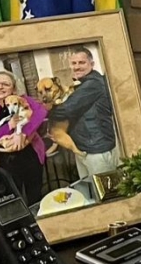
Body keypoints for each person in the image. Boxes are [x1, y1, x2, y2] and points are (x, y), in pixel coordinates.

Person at [49, 46, 119, 179]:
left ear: (92, 64)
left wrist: (45, 110)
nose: (77, 67)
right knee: (91, 189)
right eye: (73, 63)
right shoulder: (81, 85)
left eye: (82, 62)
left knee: (106, 191)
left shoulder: (93, 84)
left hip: (97, 151)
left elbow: (65, 110)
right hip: (84, 149)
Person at [0, 70, 48, 206]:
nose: (0, 87)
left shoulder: (23, 100)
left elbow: (40, 112)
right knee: (12, 195)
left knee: (34, 194)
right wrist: (10, 125)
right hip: (4, 158)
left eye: (5, 84)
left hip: (29, 153)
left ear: (13, 88)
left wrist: (22, 133)